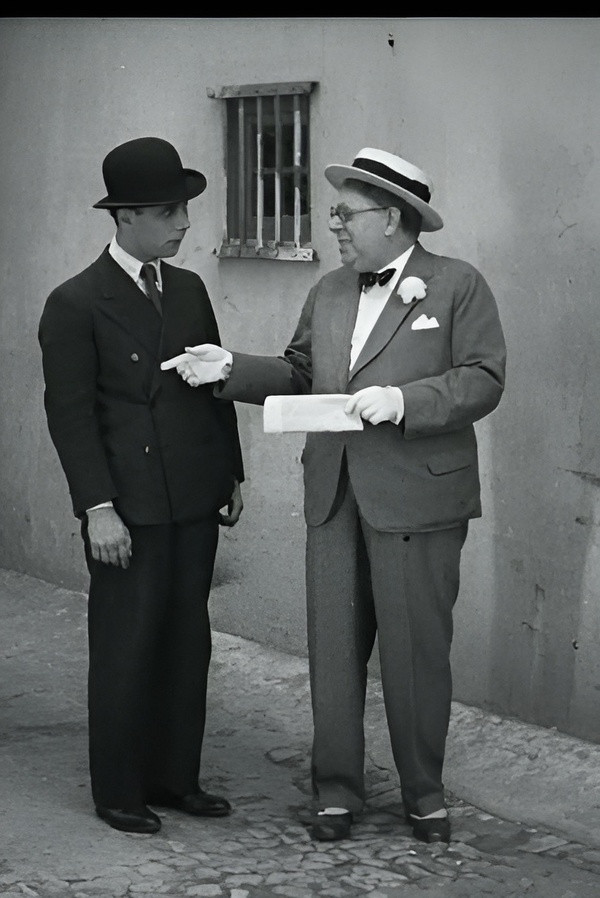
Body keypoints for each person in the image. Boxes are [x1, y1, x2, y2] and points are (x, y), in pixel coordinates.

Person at [162, 147, 506, 844]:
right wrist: (230, 369)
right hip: (334, 495)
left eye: (346, 213)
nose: (335, 225)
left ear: (392, 217)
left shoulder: (457, 285)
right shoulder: (329, 291)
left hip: (417, 499)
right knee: (333, 652)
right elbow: (300, 373)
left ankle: (424, 794)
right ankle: (337, 791)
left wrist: (404, 401)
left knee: (416, 653)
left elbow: (484, 377)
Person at [38, 137, 245, 835]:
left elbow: (212, 384)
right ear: (124, 217)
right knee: (127, 645)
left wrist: (230, 471)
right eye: (167, 211)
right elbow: (70, 417)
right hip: (127, 507)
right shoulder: (76, 302)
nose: (184, 223)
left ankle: (175, 778)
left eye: (184, 208)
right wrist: (98, 508)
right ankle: (119, 789)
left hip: (192, 495)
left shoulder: (187, 289)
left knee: (188, 641)